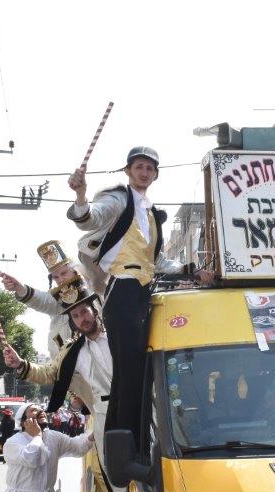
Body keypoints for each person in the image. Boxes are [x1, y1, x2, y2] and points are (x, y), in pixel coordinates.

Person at [67, 147, 214, 448]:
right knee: (131, 372)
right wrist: (81, 194)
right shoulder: (118, 198)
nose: (144, 172)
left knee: (136, 370)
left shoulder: (150, 213)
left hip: (142, 292)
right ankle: (127, 446)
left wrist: (193, 271)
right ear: (128, 171)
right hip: (122, 289)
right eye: (139, 167)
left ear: (156, 174)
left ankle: (125, 442)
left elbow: (157, 262)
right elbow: (89, 219)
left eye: (149, 168)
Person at [2, 285, 130, 492]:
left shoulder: (119, 334)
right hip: (105, 411)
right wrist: (20, 364)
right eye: (75, 316)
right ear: (71, 321)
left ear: (95, 310)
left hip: (135, 401)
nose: (82, 318)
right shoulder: (72, 351)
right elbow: (48, 373)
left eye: (84, 311)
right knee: (112, 465)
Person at [0, 243, 96, 410]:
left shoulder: (98, 293)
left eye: (64, 273)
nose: (61, 280)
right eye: (56, 277)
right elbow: (51, 372)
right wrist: (19, 288)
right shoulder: (60, 304)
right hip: (79, 381)